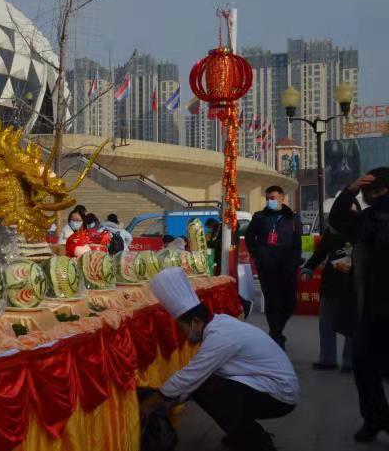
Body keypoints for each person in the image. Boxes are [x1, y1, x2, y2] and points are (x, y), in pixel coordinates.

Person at [140, 268, 298, 451]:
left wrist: (152, 401)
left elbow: (192, 375)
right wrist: (171, 400)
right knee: (205, 386)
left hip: (279, 395)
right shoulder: (218, 324)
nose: (183, 335)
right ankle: (242, 433)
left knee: (208, 388)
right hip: (266, 386)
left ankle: (258, 442)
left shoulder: (220, 336)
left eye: (182, 328)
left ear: (196, 323)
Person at [329, 168, 389, 443]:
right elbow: (338, 219)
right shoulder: (367, 219)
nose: (367, 195)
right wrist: (350, 190)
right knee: (364, 367)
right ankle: (375, 419)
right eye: (364, 190)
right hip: (369, 309)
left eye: (370, 189)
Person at [244, 186, 302, 349]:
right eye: (268, 198)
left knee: (290, 301)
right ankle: (276, 335)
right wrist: (257, 253)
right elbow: (249, 237)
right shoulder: (260, 217)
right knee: (272, 300)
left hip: (287, 265)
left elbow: (297, 241)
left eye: (274, 198)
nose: (271, 201)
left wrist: (296, 261)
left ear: (282, 198)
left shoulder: (293, 218)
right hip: (267, 265)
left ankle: (277, 330)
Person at [300, 215, 357, 373]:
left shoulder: (358, 229)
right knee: (331, 323)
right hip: (336, 284)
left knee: (345, 324)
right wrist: (309, 268)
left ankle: (344, 360)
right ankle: (334, 359)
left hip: (348, 285)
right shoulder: (334, 231)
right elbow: (320, 253)